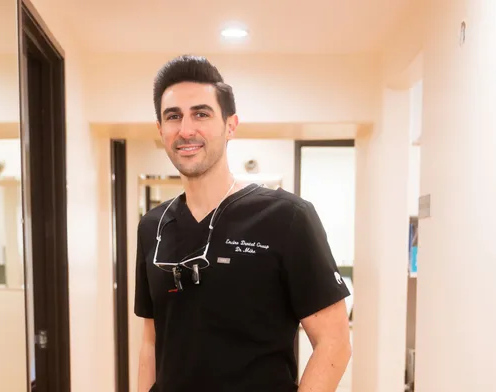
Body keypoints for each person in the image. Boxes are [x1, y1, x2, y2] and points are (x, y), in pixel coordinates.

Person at [134, 54, 352, 392]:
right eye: (173, 116)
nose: (186, 129)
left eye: (201, 114)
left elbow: (334, 341)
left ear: (230, 125)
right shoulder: (153, 228)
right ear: (161, 129)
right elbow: (151, 340)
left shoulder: (287, 217)